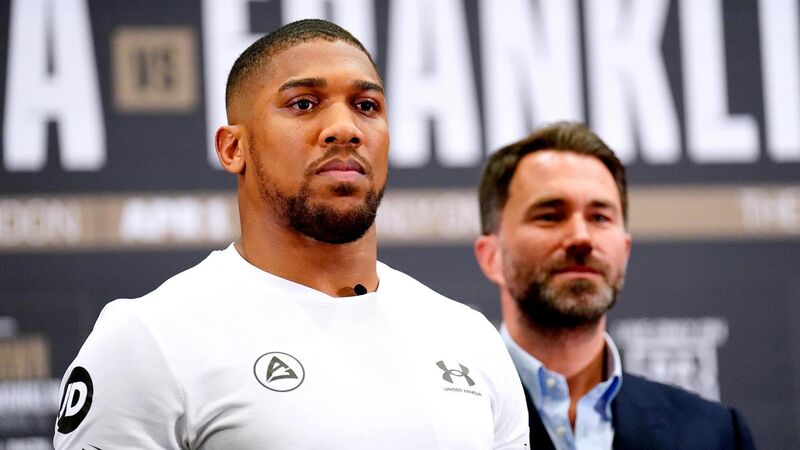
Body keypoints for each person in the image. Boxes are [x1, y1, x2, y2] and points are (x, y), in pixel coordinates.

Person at [54, 19, 529, 449]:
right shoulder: (149, 339)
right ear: (233, 148)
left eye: (366, 106)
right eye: (304, 104)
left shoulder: (467, 337)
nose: (344, 129)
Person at [473, 121, 755, 449]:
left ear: (625, 249)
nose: (581, 237)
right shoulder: (449, 419)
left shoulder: (714, 433)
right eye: (550, 216)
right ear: (491, 256)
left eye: (600, 217)